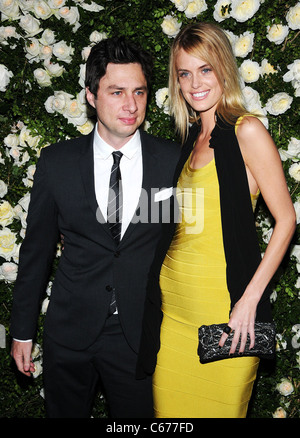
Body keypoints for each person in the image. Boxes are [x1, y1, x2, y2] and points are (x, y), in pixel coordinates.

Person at [10, 36, 180, 418]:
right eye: (116, 92)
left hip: (139, 336)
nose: (131, 105)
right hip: (69, 333)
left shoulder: (172, 163)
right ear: (91, 95)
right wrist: (22, 331)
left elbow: (187, 248)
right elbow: (36, 253)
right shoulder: (57, 163)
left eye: (139, 92)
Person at [136, 22, 296, 418]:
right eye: (184, 73)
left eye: (205, 69)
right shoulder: (192, 138)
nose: (194, 83)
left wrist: (249, 300)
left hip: (226, 315)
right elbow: (182, 219)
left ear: (223, 66)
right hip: (173, 315)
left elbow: (287, 220)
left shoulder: (247, 130)